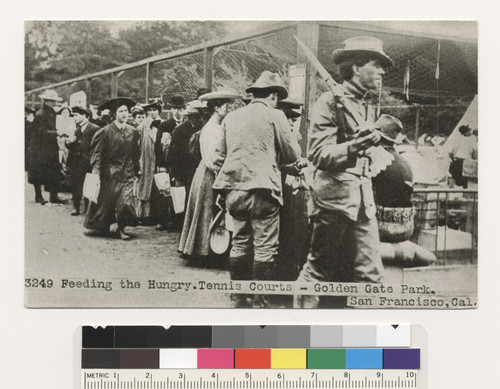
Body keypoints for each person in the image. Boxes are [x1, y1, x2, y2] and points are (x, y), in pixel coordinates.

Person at [296, 36, 393, 308]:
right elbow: (318, 155)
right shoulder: (328, 102)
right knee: (317, 271)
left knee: (372, 275)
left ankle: (366, 337)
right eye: (376, 65)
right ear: (356, 67)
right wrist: (357, 145)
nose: (382, 72)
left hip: (363, 202)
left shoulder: (365, 104)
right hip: (333, 201)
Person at [212, 71, 301, 307]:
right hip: (264, 191)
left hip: (234, 190)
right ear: (273, 95)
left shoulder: (231, 118)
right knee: (265, 247)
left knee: (239, 242)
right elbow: (292, 154)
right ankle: (260, 298)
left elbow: (217, 158)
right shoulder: (276, 115)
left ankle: (239, 296)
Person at [178, 90, 242, 258]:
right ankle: (204, 250)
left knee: (214, 212)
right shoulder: (211, 129)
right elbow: (212, 158)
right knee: (207, 210)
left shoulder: (218, 127)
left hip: (212, 172)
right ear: (217, 108)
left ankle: (213, 250)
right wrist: (223, 176)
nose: (228, 109)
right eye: (226, 106)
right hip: (210, 174)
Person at [84, 97, 140, 240]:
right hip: (110, 172)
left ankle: (121, 229)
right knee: (108, 202)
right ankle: (104, 226)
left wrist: (137, 169)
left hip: (127, 172)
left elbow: (135, 152)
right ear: (114, 114)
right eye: (121, 111)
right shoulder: (105, 132)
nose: (124, 114)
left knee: (126, 201)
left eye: (126, 111)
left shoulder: (133, 131)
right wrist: (96, 172)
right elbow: (97, 154)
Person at [27, 89, 64, 204]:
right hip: (40, 148)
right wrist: (57, 133)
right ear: (47, 102)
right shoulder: (40, 114)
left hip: (49, 147)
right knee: (39, 172)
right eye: (53, 101)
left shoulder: (50, 112)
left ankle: (53, 196)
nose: (55, 103)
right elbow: (40, 133)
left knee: (54, 171)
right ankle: (39, 196)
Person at [66, 106, 101, 216]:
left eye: (76, 115)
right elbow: (71, 147)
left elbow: (98, 146)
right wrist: (69, 142)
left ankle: (88, 208)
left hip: (88, 163)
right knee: (76, 185)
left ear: (85, 116)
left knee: (88, 185)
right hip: (76, 162)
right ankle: (76, 207)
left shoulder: (95, 128)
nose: (74, 118)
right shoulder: (77, 130)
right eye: (73, 115)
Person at [135, 99, 164, 224]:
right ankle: (144, 216)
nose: (152, 113)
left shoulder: (163, 124)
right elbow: (137, 146)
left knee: (159, 187)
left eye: (155, 110)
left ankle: (158, 216)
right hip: (145, 160)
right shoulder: (141, 127)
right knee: (145, 187)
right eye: (150, 110)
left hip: (158, 161)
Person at [166, 101, 204, 195]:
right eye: (192, 116)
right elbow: (173, 154)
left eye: (197, 116)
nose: (195, 118)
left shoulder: (204, 128)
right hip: (184, 170)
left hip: (199, 168)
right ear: (188, 116)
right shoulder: (180, 130)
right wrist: (176, 175)